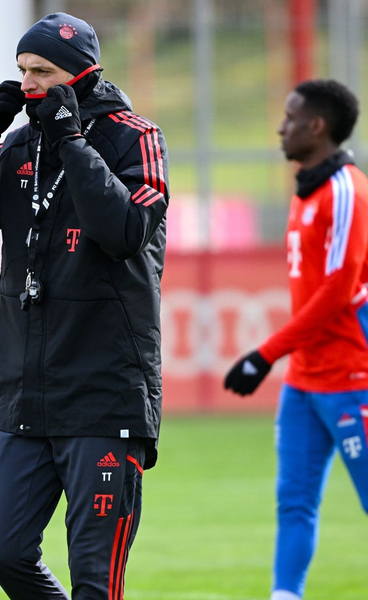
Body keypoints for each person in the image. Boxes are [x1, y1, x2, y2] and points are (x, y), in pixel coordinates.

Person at [0, 12, 168, 600]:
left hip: (103, 390)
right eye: (22, 71)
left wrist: (72, 138)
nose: (30, 83)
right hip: (23, 390)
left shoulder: (134, 136)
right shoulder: (19, 143)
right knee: (4, 552)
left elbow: (123, 230)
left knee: (96, 578)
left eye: (43, 72)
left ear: (82, 73)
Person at [224, 80, 367, 600]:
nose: (280, 127)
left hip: (353, 379)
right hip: (306, 381)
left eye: (289, 117)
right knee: (294, 503)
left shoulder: (346, 190)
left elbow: (337, 291)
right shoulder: (306, 189)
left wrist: (265, 354)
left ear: (317, 126)